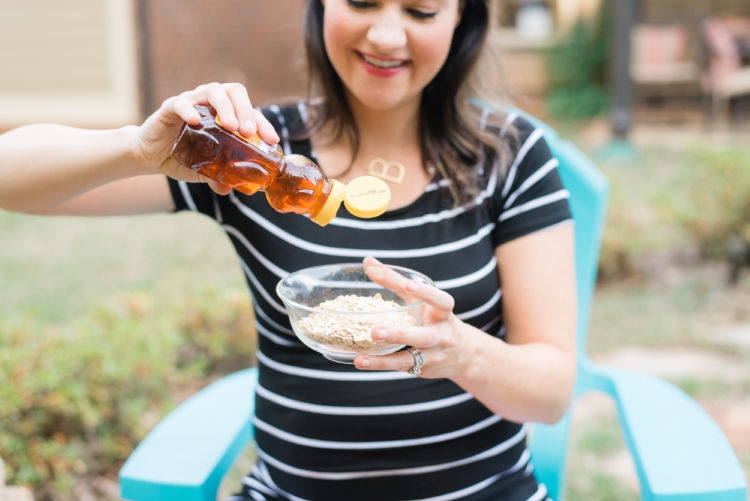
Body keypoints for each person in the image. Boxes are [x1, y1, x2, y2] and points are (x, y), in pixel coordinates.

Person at [0, 0, 577, 499]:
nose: (385, 35)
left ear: (462, 20)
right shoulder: (251, 154)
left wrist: (460, 352)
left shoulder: (511, 158)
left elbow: (551, 392)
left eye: (421, 10)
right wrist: (137, 148)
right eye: (362, 1)